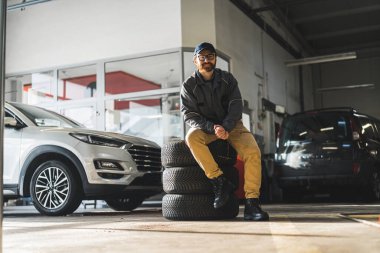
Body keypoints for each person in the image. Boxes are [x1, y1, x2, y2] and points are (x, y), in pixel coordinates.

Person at [180, 42, 269, 221]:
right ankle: (219, 181)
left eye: (210, 56)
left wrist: (226, 127)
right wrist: (213, 128)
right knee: (192, 137)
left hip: (233, 126)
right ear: (195, 61)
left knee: (253, 152)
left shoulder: (228, 79)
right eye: (202, 57)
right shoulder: (189, 85)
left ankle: (252, 204)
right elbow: (188, 114)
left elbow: (236, 106)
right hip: (207, 127)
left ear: (215, 59)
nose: (206, 60)